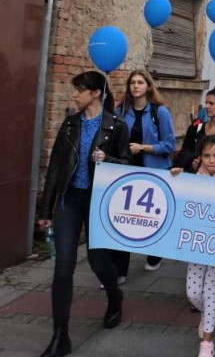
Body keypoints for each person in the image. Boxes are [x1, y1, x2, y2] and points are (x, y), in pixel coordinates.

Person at [37, 71, 130, 357]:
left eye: (79, 90)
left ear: (96, 93)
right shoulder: (69, 124)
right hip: (70, 201)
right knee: (63, 266)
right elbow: (55, 168)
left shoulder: (116, 126)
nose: (74, 95)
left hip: (98, 202)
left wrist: (108, 159)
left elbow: (126, 166)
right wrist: (46, 208)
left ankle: (115, 298)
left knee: (98, 262)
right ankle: (60, 335)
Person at [171, 135, 215, 357]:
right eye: (207, 156)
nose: (212, 160)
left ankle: (207, 343)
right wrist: (175, 179)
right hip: (197, 243)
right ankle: (206, 314)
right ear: (201, 156)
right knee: (193, 292)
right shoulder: (194, 176)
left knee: (210, 291)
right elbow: (180, 198)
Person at [117, 69, 176, 274]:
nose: (135, 86)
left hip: (154, 172)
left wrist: (144, 147)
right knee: (125, 219)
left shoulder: (159, 112)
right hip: (127, 171)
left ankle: (155, 254)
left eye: (140, 82)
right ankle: (120, 269)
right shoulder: (122, 111)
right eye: (132, 82)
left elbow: (169, 145)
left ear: (148, 86)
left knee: (151, 219)